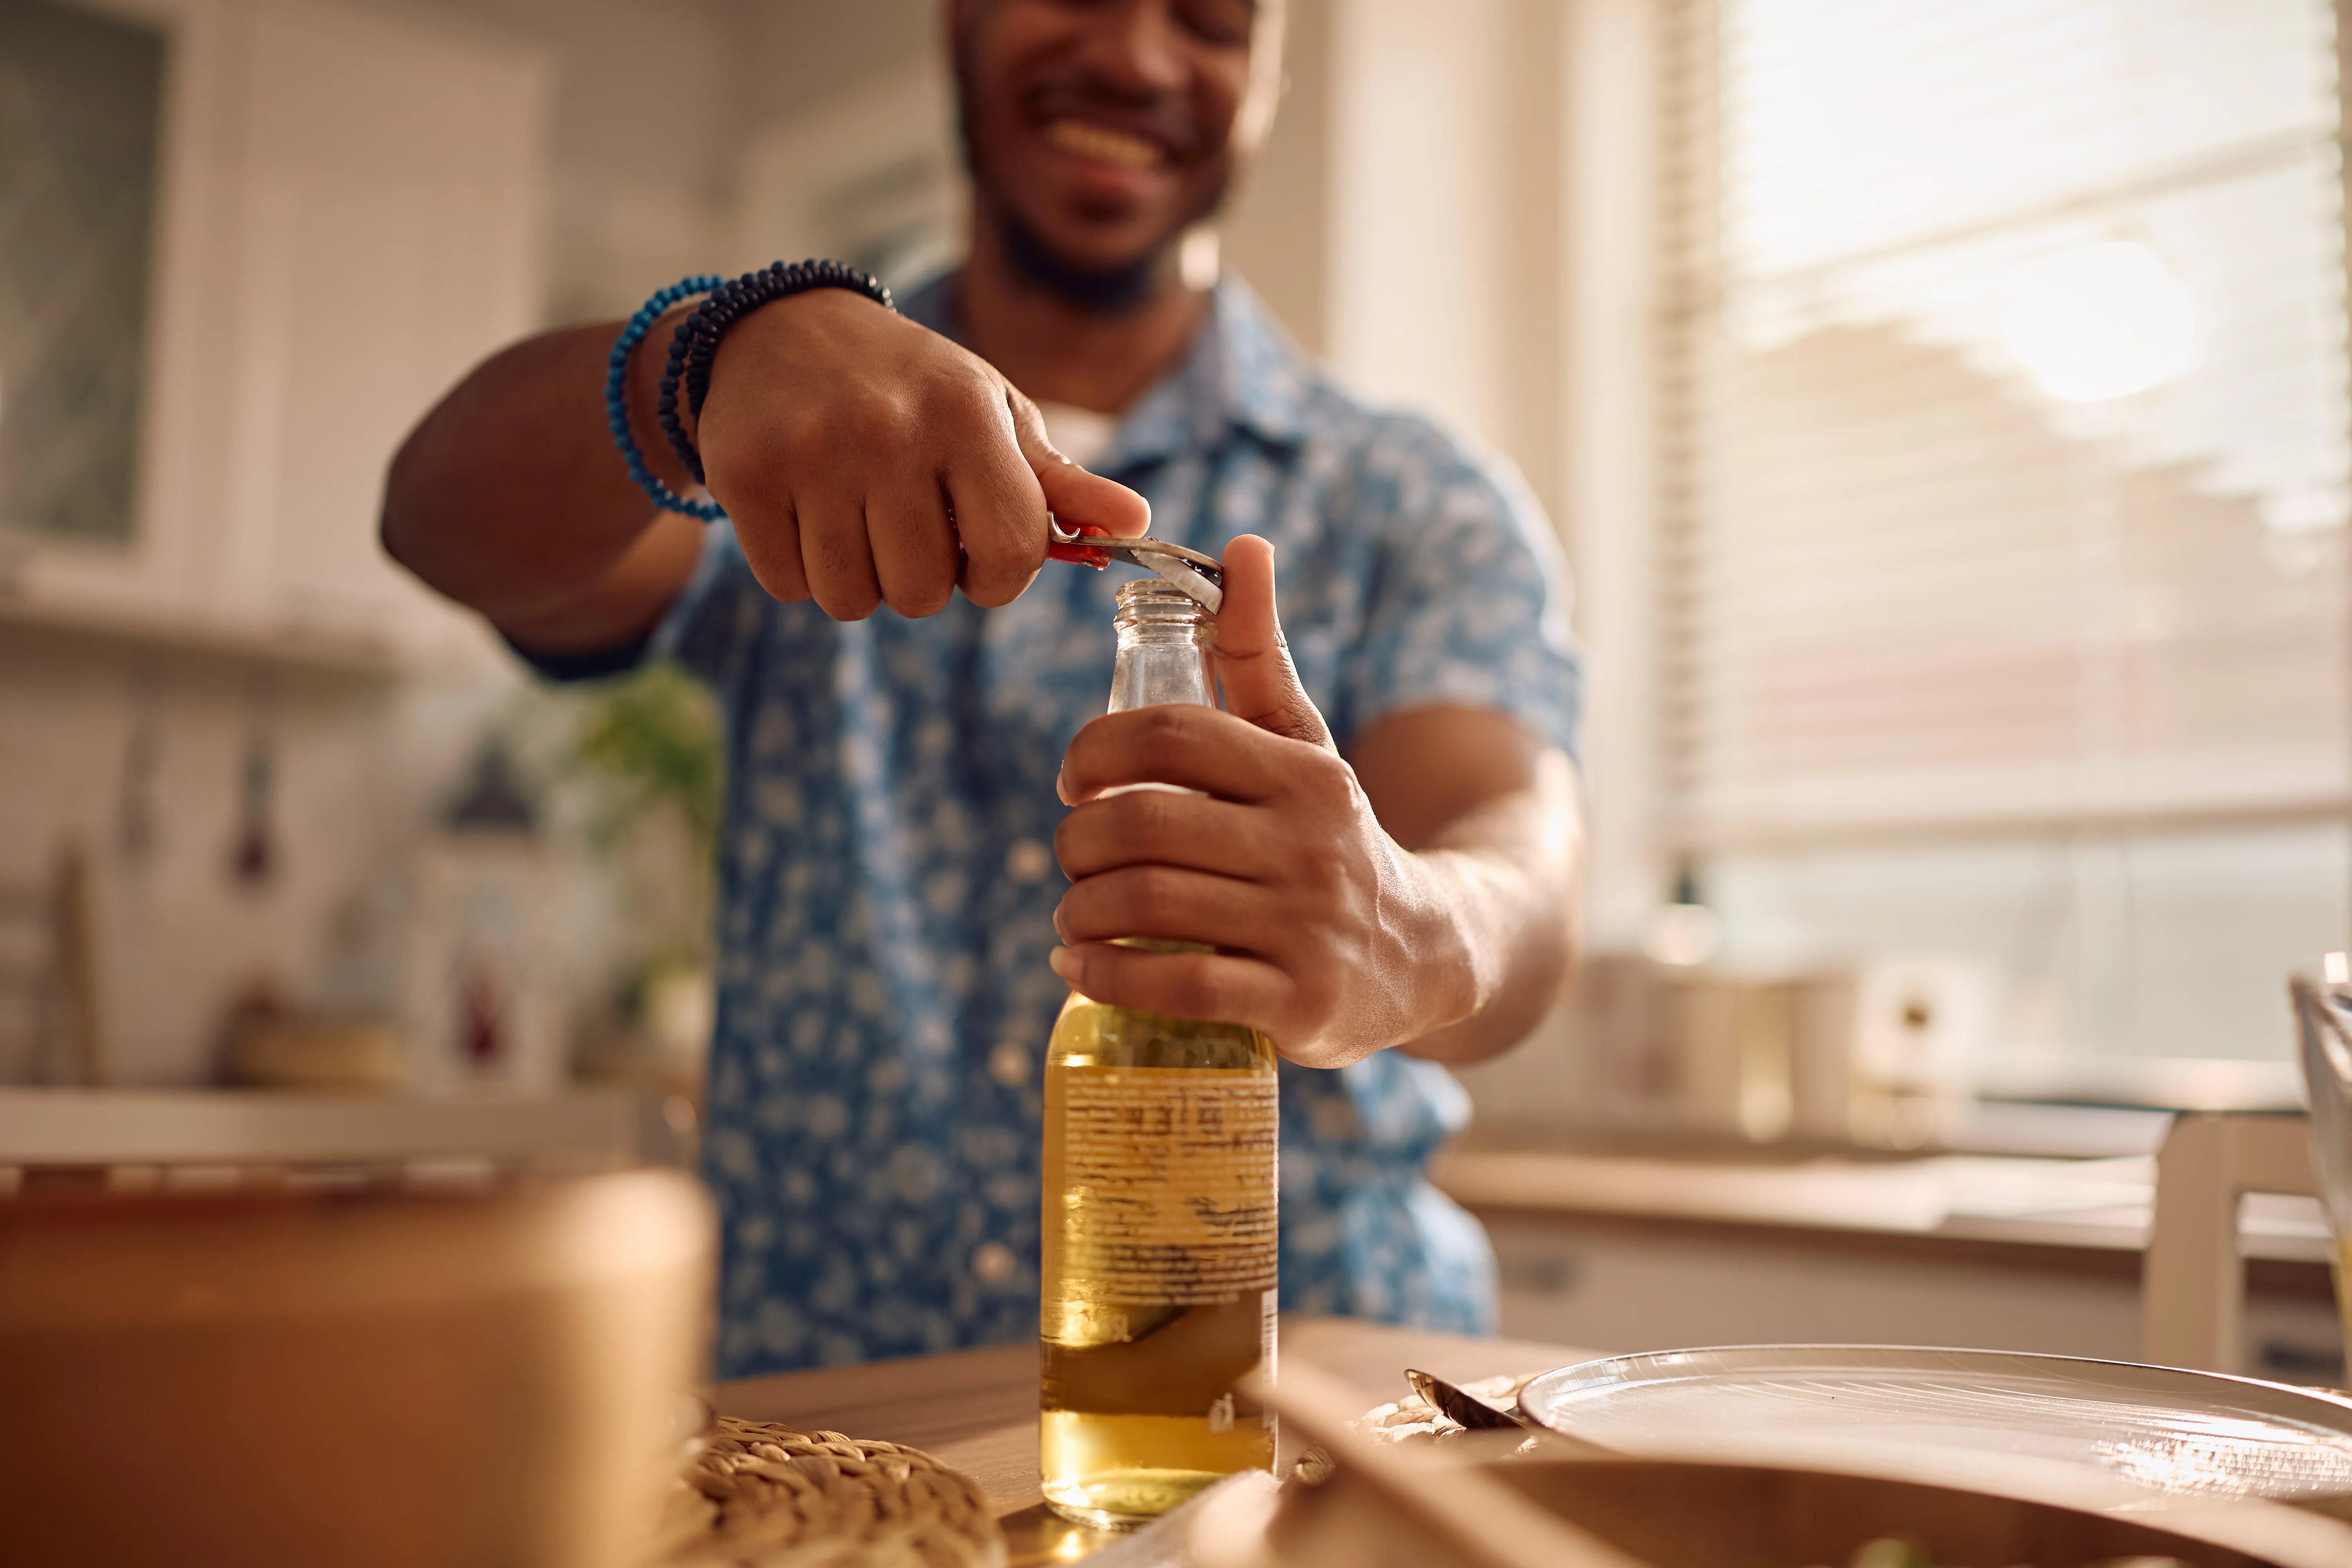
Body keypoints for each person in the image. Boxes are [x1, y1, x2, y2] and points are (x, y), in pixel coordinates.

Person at [382, 0, 1584, 1376]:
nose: (1138, 57)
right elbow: (431, 520)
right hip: (836, 1453)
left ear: (1269, 75)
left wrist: (1418, 926)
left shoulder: (1414, 497)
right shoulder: (768, 420)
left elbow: (1522, 863)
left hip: (1315, 1423)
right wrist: (700, 361)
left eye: (1208, 17)